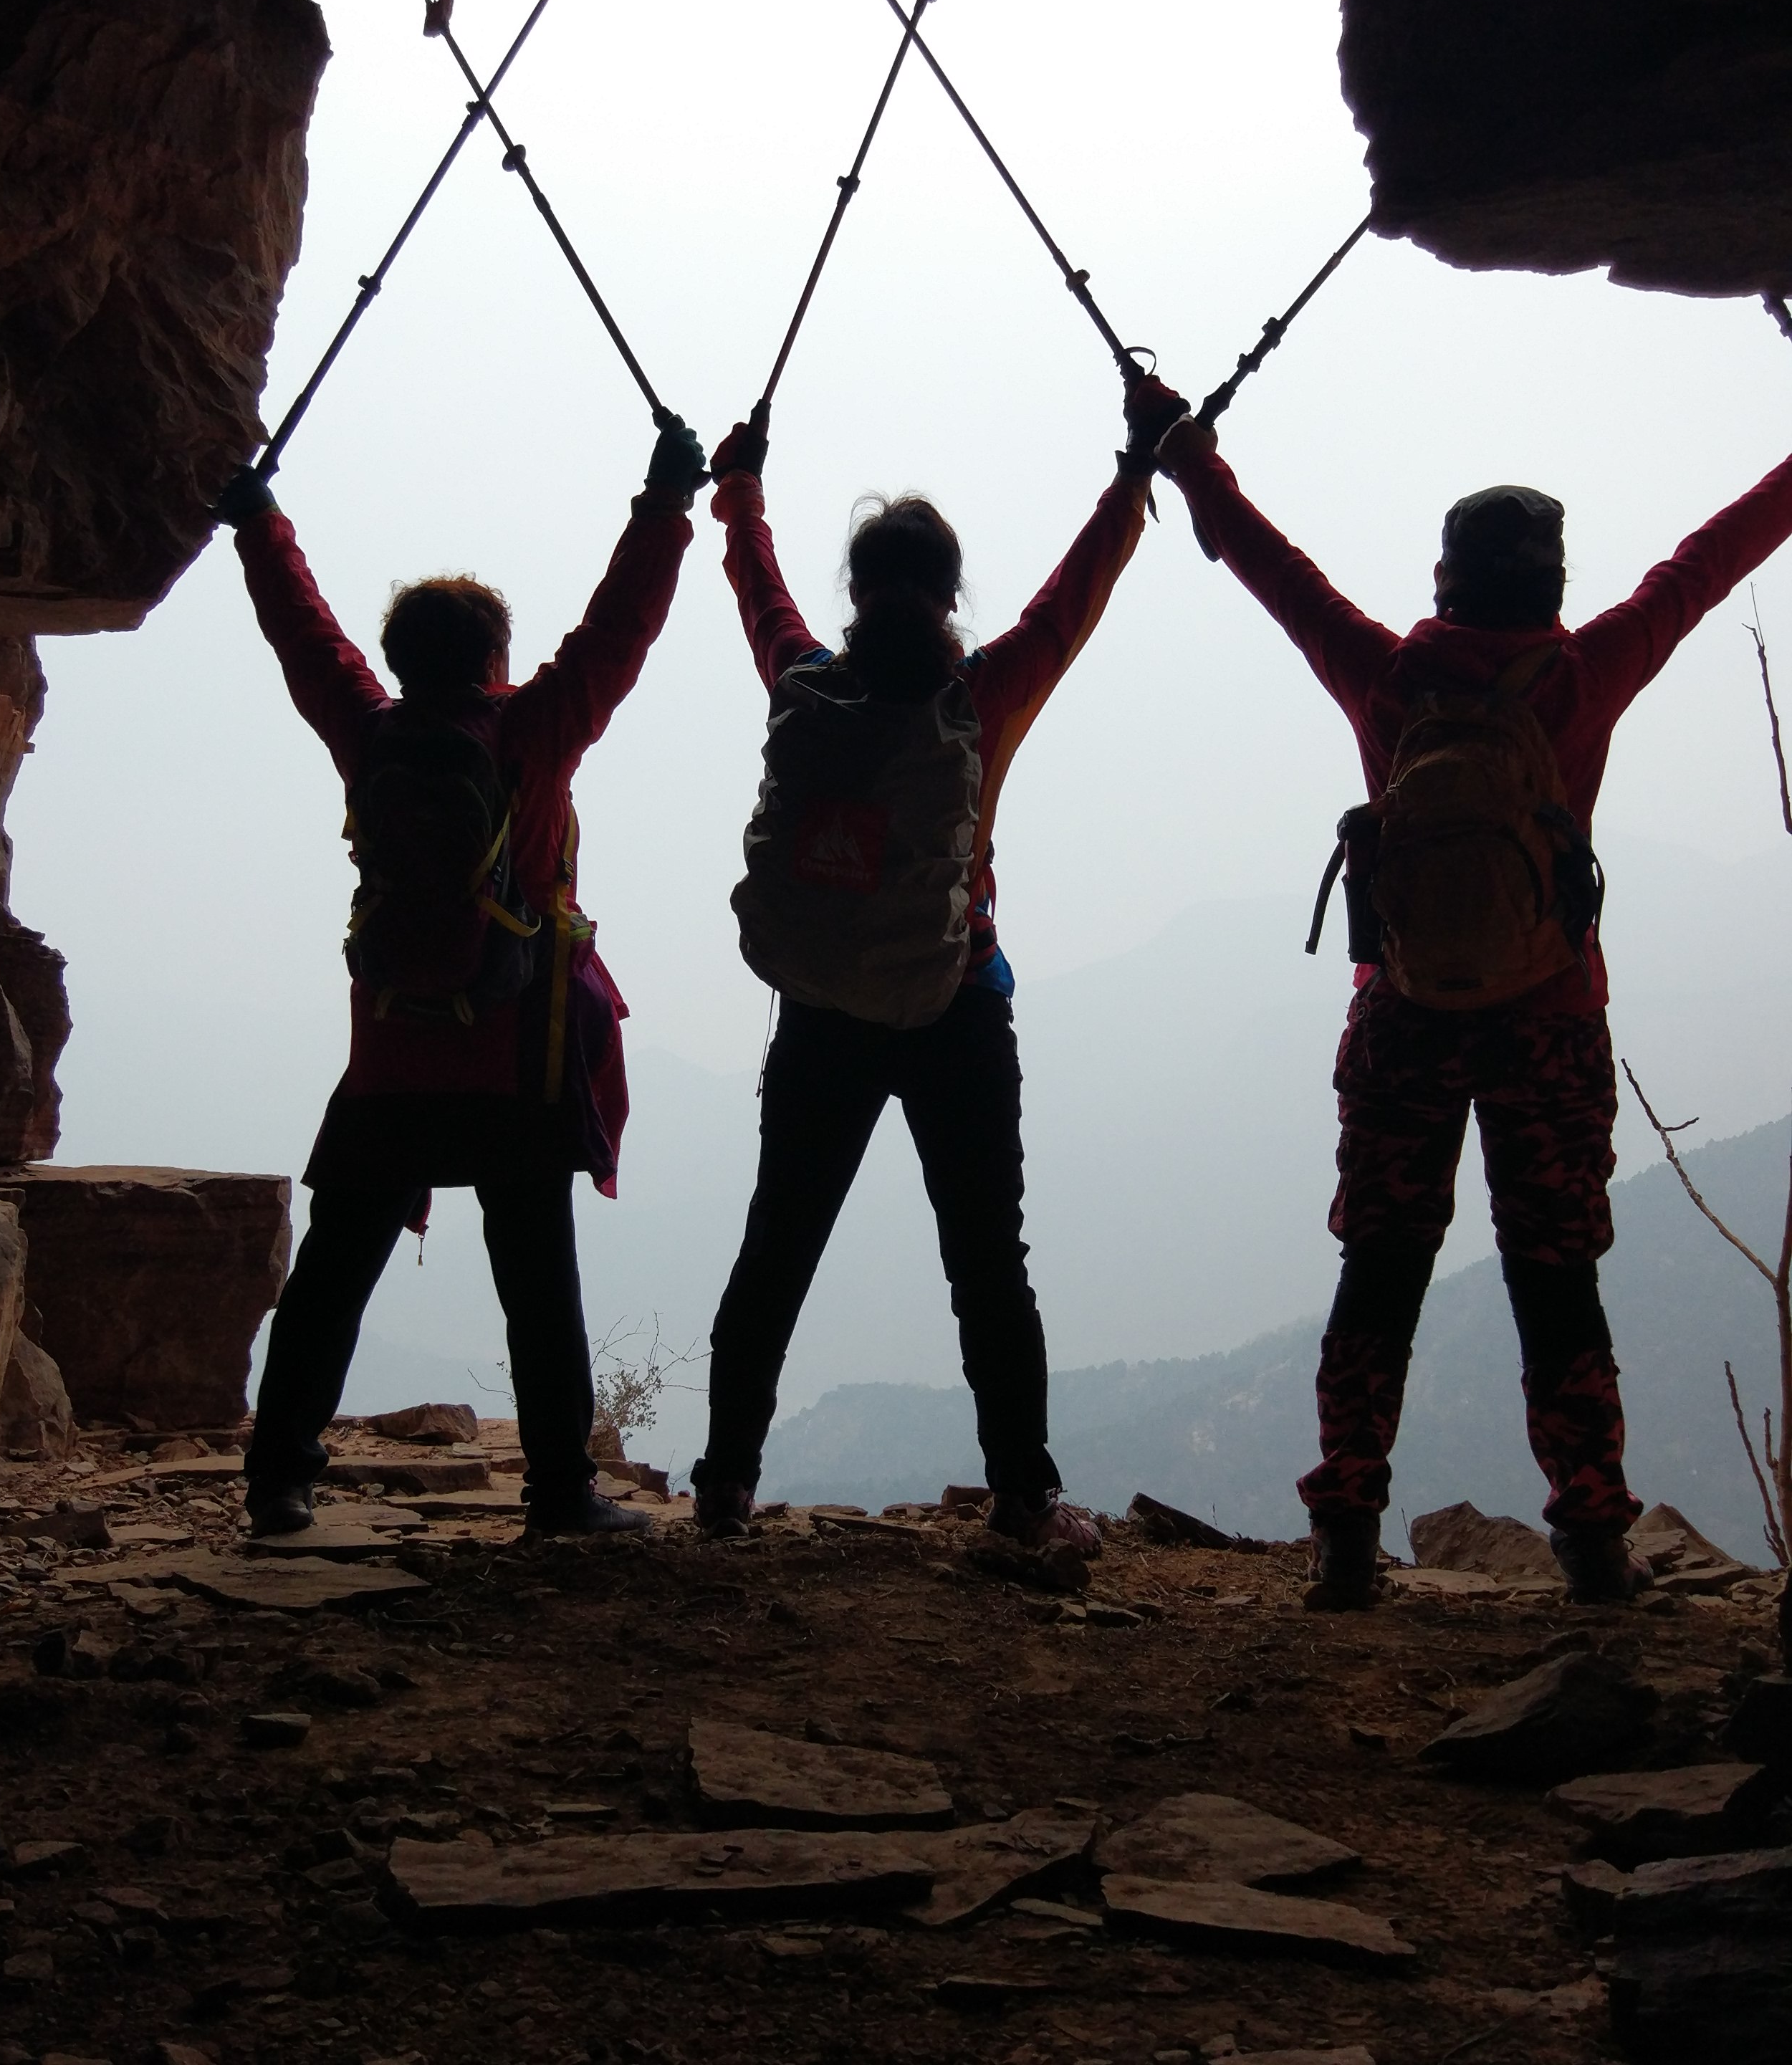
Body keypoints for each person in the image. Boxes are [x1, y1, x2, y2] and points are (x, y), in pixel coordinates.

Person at [1144, 378, 1792, 1609]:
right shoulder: (1582, 678)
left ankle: (1345, 1524)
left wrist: (1191, 460)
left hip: (1405, 1025)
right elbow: (1702, 568)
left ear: (1443, 580)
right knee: (1557, 1280)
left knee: (1379, 1268)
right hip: (1550, 1024)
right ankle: (1594, 1533)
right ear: (1548, 583)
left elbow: (1276, 573)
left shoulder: (1388, 680)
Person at [689, 390, 1168, 1569]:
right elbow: (1077, 595)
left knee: (776, 1247)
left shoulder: (807, 682)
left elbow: (758, 593)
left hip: (819, 1014)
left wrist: (738, 490)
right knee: (987, 1264)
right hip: (956, 1006)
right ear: (953, 596)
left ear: (856, 595)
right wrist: (1134, 471)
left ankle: (724, 1484)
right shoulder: (979, 698)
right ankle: (1022, 1499)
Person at [211, 414, 709, 1541]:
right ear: (495, 658)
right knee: (537, 1279)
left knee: (335, 1271)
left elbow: (306, 635)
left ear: (400, 661)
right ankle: (559, 1494)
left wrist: (257, 523)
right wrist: (666, 504)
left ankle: (280, 1481)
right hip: (512, 1058)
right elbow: (616, 632)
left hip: (391, 1052)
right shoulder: (530, 733)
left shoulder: (368, 731)